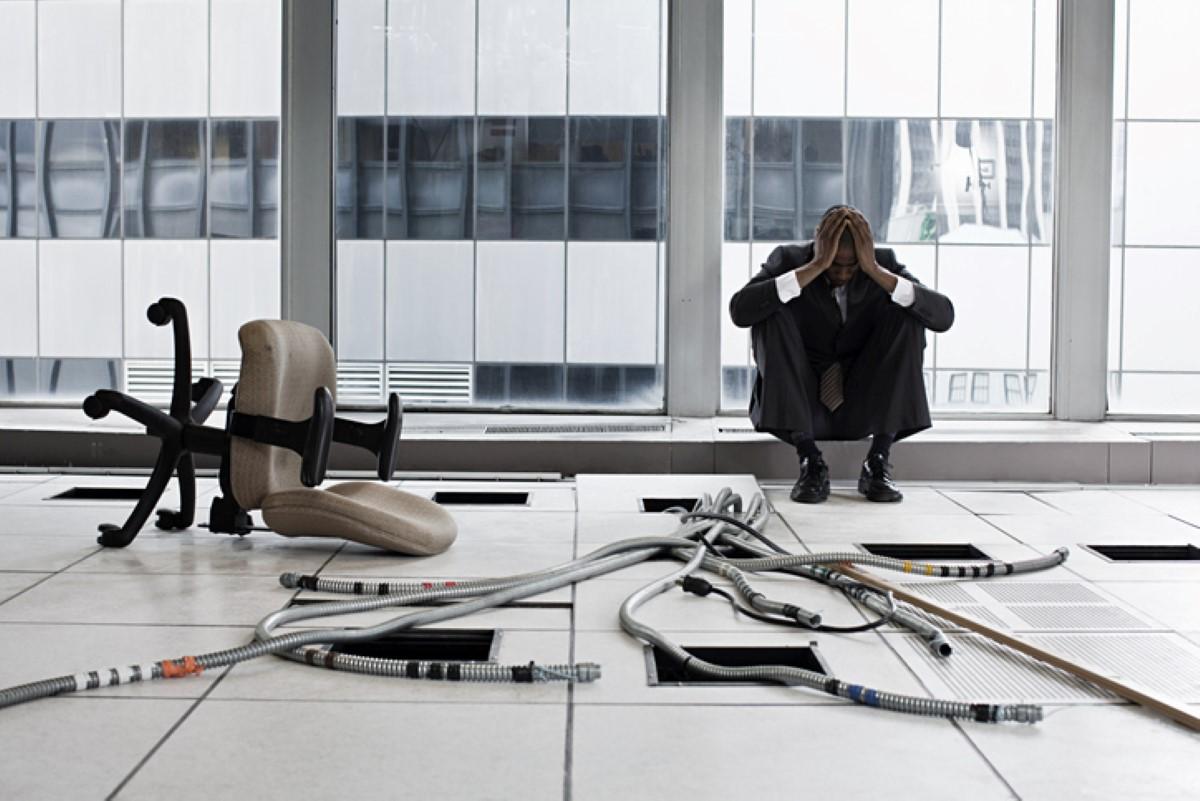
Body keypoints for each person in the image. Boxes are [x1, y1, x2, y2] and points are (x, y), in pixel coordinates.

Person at [728, 205, 954, 504]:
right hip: (802, 406)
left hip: (863, 406)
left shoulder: (881, 264)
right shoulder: (788, 260)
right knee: (771, 313)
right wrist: (814, 268)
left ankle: (878, 461)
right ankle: (810, 461)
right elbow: (740, 311)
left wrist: (874, 270)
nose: (844, 274)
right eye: (835, 265)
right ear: (818, 243)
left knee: (907, 314)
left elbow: (943, 317)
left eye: (853, 267)